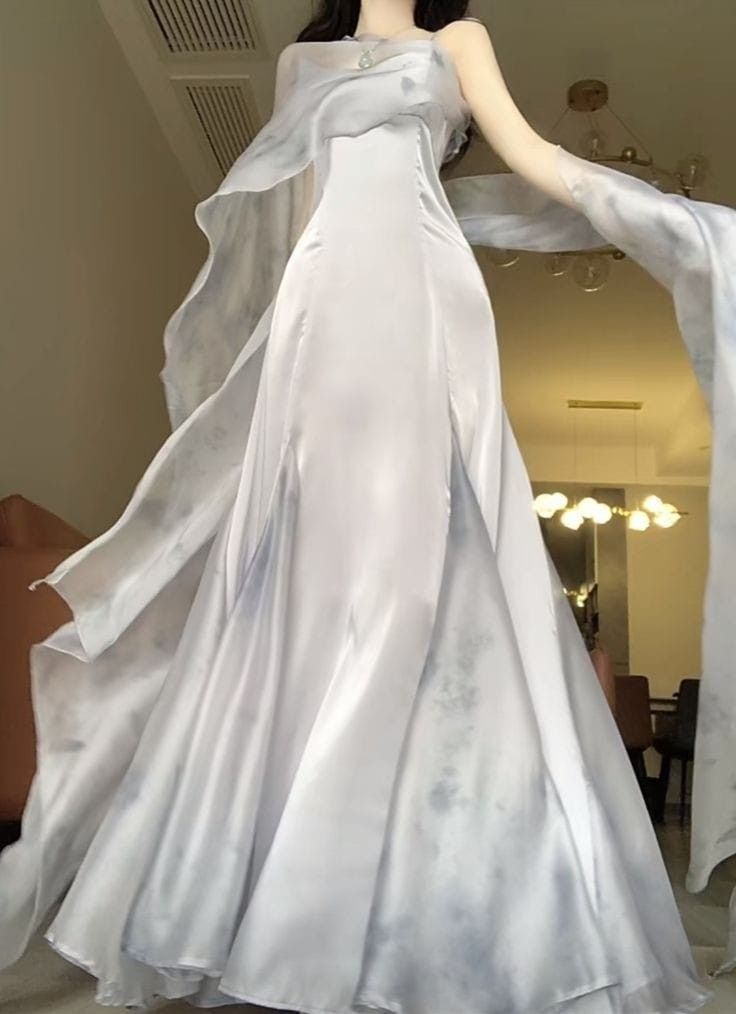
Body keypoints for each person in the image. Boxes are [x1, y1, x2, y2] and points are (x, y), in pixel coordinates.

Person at [1, 0, 734, 1010]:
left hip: (424, 295)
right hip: (319, 308)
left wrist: (673, 222)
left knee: (414, 566)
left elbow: (533, 159)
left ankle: (394, 894)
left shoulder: (458, 43)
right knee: (304, 574)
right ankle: (279, 892)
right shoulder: (300, 59)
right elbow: (292, 205)